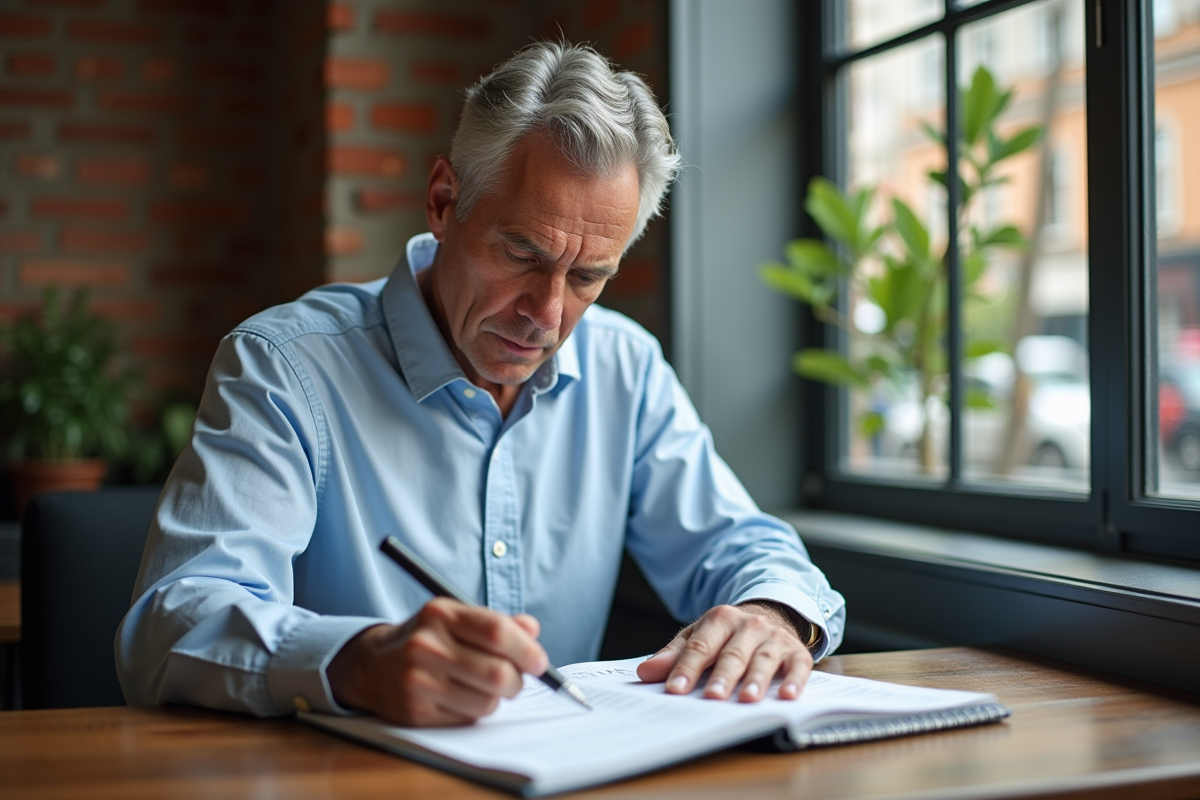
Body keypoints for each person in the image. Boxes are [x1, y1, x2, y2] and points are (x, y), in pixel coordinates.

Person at [116, 41, 845, 727]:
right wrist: (355, 662)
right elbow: (172, 620)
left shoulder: (625, 368)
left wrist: (772, 615)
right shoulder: (285, 366)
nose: (548, 315)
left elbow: (742, 545)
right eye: (522, 254)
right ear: (442, 201)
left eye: (589, 276)